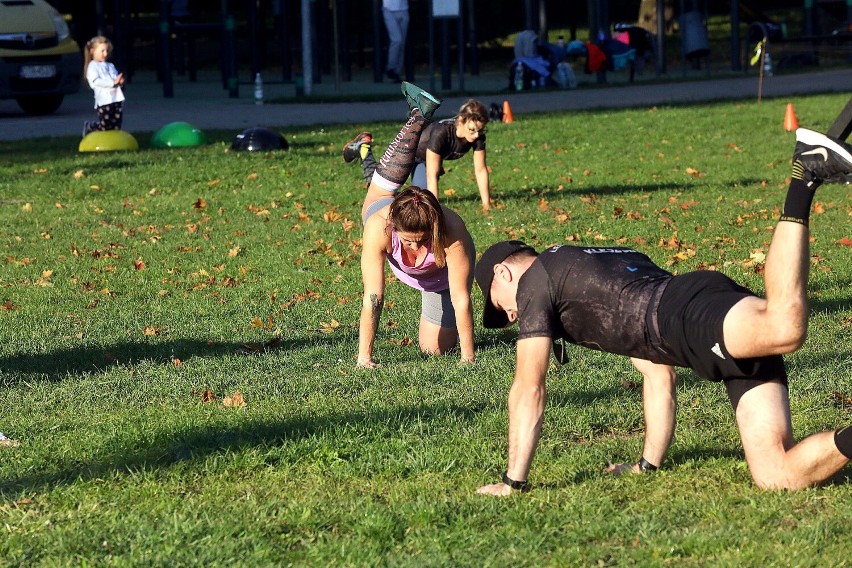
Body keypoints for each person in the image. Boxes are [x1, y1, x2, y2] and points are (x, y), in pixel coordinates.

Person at [472, 127, 852, 495]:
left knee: (785, 327)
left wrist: (512, 482)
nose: (508, 316)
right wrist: (647, 465)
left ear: (503, 272)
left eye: (497, 305)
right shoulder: (585, 264)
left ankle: (805, 174)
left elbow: (529, 387)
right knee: (776, 475)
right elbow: (658, 374)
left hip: (687, 315)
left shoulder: (535, 281)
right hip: (692, 315)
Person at [353, 83, 476, 368]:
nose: (415, 246)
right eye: (408, 240)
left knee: (434, 349)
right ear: (394, 229)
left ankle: (416, 116)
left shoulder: (452, 232)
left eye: (421, 240)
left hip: (438, 281)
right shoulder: (379, 226)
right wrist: (364, 358)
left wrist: (468, 357)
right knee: (381, 189)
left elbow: (461, 297)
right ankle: (417, 117)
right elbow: (373, 296)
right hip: (384, 206)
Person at [343, 99, 492, 211]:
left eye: (480, 130)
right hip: (409, 151)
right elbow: (431, 174)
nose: (476, 134)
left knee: (420, 200)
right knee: (380, 189)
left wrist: (486, 204)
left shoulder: (478, 138)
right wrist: (436, 211)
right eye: (472, 129)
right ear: (461, 121)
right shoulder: (442, 132)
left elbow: (480, 170)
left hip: (424, 160)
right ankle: (364, 150)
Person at [82, 36, 126, 137]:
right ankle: (90, 126)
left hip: (116, 98)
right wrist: (113, 83)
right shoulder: (92, 66)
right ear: (92, 51)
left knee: (116, 123)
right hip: (104, 101)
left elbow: (115, 77)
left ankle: (114, 141)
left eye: (107, 50)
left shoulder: (110, 65)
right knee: (105, 125)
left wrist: (120, 81)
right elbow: (96, 82)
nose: (105, 54)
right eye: (102, 51)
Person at [382, 0, 409, 83]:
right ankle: (391, 68)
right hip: (388, 10)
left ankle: (396, 73)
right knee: (397, 40)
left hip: (404, 10)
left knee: (401, 44)